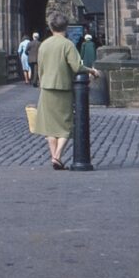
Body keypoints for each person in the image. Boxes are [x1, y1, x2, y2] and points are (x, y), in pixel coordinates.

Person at [32, 12, 99, 170]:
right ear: (66, 27)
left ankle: (54, 156)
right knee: (66, 125)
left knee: (50, 126)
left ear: (50, 27)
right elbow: (76, 67)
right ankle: (57, 156)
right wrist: (92, 71)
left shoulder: (44, 45)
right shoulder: (67, 44)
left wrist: (42, 82)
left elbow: (40, 68)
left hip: (47, 88)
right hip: (63, 88)